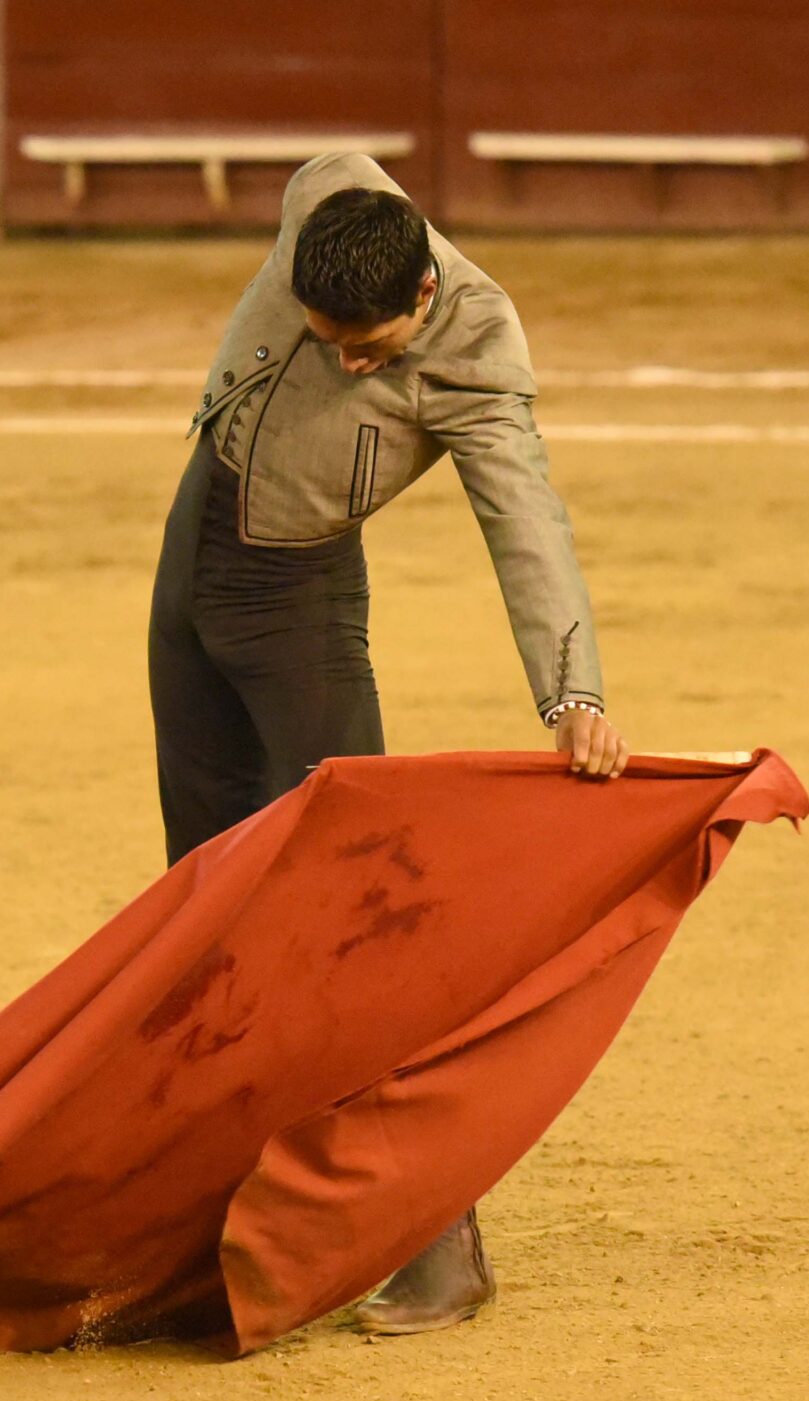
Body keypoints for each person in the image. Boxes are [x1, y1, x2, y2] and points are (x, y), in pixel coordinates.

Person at [149, 151, 628, 1336]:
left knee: (352, 916)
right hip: (192, 559)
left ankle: (437, 1240)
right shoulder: (329, 198)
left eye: (368, 350)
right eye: (325, 338)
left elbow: (525, 518)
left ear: (420, 296)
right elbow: (331, 158)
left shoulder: (472, 352)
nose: (349, 361)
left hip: (300, 610)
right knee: (204, 900)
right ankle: (211, 1203)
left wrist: (569, 693)